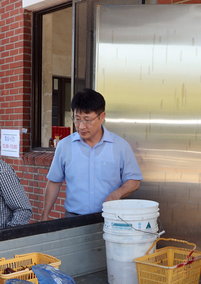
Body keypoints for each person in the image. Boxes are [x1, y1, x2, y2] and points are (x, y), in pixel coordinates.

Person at [41, 88, 142, 220]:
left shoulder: (120, 146)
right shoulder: (65, 146)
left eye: (87, 120)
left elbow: (134, 181)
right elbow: (54, 182)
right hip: (73, 219)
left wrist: (117, 194)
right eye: (77, 119)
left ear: (102, 117)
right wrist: (45, 215)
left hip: (111, 218)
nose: (81, 126)